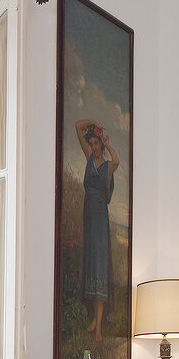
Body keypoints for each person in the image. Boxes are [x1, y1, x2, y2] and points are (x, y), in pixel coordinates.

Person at [75, 119, 119, 342]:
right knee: (91, 266)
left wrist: (107, 142)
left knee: (100, 267)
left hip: (100, 218)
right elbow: (77, 126)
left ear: (101, 144)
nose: (93, 147)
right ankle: (94, 320)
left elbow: (117, 161)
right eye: (91, 143)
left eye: (96, 143)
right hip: (88, 216)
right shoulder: (90, 159)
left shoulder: (107, 167)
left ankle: (99, 326)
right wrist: (93, 124)